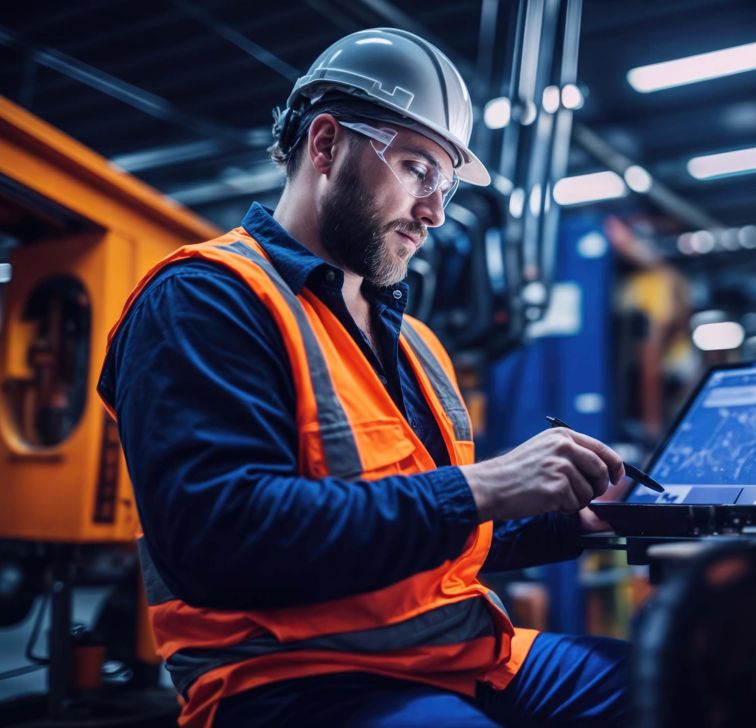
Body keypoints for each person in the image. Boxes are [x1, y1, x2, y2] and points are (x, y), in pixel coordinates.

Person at [98, 28, 628, 727]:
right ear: (324, 145)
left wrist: (563, 520)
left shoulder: (413, 342)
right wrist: (486, 485)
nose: (436, 212)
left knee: (689, 675)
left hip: (458, 653)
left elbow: (418, 525)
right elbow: (220, 542)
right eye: (417, 169)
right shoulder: (205, 299)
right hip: (289, 677)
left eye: (443, 183)